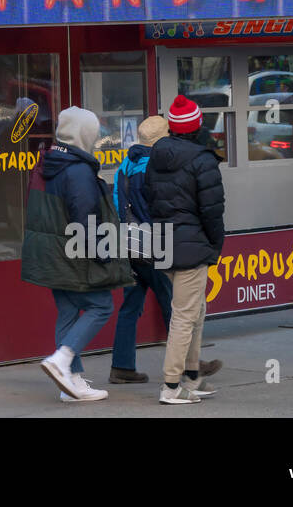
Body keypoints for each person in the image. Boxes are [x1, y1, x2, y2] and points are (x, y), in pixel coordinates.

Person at [35, 107, 119, 403]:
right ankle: (62, 359)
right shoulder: (79, 170)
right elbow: (86, 219)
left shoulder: (49, 162)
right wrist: (102, 253)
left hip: (53, 252)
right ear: (85, 134)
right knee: (102, 306)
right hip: (75, 252)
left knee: (68, 312)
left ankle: (70, 384)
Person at [147, 95, 226, 405]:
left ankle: (192, 377)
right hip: (192, 245)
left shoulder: (156, 155)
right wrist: (215, 244)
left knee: (195, 310)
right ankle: (170, 385)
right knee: (185, 315)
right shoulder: (203, 160)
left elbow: (149, 196)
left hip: (164, 241)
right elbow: (212, 211)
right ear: (196, 126)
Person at [110, 115, 175, 384]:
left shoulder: (124, 166)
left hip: (129, 244)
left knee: (129, 306)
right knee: (175, 306)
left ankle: (122, 367)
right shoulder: (160, 166)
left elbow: (116, 204)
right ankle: (188, 364)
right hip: (156, 245)